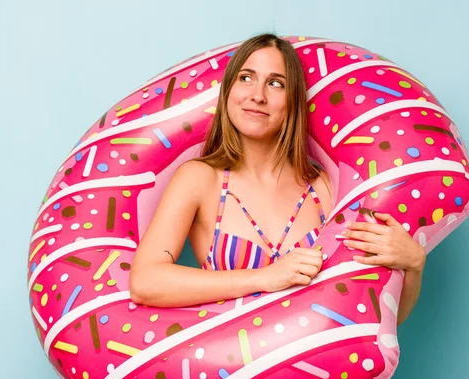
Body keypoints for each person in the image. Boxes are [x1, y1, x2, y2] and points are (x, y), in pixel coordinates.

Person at [130, 33, 426, 325]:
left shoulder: (323, 188)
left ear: (292, 100)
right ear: (228, 91)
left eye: (275, 83)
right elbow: (146, 282)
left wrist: (413, 267)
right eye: (246, 78)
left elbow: (378, 318)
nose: (257, 95)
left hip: (320, 367)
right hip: (230, 363)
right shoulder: (199, 179)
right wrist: (264, 278)